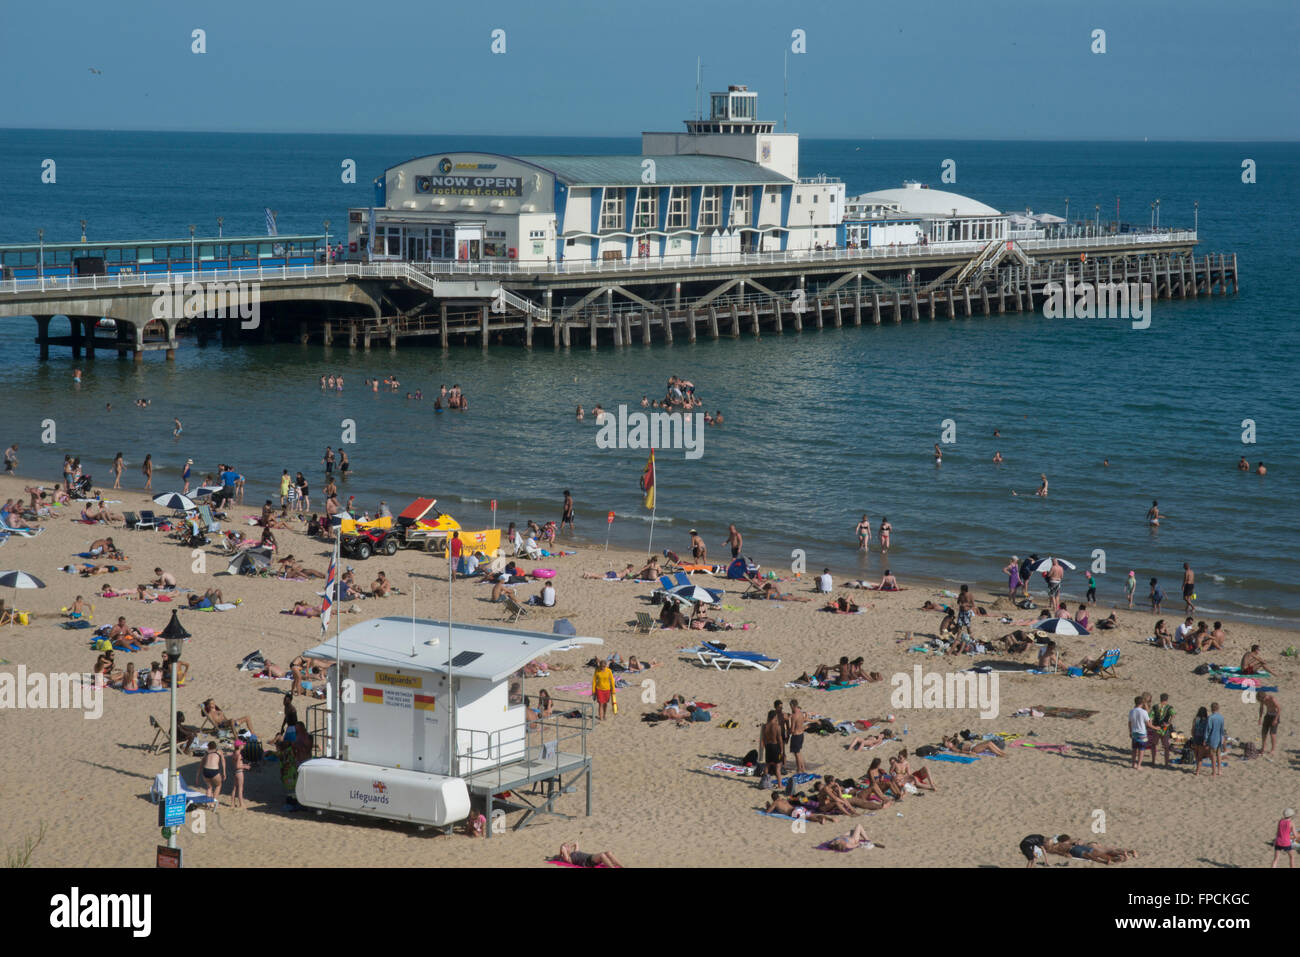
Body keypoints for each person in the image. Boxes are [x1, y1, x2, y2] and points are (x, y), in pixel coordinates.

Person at [1129, 695, 1157, 769]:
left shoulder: (1131, 711)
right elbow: (1148, 724)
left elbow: (1129, 723)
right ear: (1141, 703)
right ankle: (1139, 765)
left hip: (1134, 732)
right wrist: (1156, 728)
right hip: (1142, 733)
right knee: (1141, 750)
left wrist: (1130, 732)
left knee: (1134, 750)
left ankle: (1133, 764)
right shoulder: (1144, 712)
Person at [1148, 693, 1175, 767]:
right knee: (1166, 746)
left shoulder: (1155, 707)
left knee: (1154, 745)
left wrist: (1152, 726)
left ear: (1160, 698)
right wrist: (1169, 723)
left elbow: (1150, 717)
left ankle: (1153, 761)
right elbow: (1173, 715)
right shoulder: (1169, 707)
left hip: (1156, 728)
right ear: (1167, 699)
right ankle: (1166, 763)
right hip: (1165, 729)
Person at [556, 841, 623, 868]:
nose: (567, 846)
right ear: (564, 850)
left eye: (567, 845)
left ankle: (622, 866)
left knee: (609, 852)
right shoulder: (568, 858)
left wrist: (571, 846)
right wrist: (562, 849)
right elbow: (562, 850)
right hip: (587, 862)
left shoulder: (575, 852)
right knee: (602, 855)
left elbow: (576, 843)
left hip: (591, 857)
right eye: (566, 846)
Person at [760, 710, 784, 783]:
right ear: (774, 717)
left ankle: (764, 782)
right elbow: (780, 740)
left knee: (767, 765)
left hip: (768, 746)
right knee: (778, 767)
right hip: (775, 746)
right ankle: (780, 785)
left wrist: (763, 748)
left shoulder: (765, 726)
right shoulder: (777, 726)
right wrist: (782, 750)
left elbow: (763, 739)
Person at [1205, 702, 1226, 777]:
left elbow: (1208, 730)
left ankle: (1214, 772)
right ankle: (1219, 770)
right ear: (1218, 708)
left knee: (1213, 756)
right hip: (1219, 738)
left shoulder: (1210, 718)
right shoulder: (1221, 717)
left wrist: (1205, 739)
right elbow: (1222, 730)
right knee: (1219, 755)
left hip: (1212, 739)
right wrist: (1223, 738)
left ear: (1211, 709)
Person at [942, 734, 1006, 756]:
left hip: (974, 745)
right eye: (948, 744)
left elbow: (956, 737)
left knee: (989, 742)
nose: (949, 743)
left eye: (949, 742)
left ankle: (1002, 753)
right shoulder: (953, 748)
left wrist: (949, 738)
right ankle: (1001, 754)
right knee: (988, 744)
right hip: (973, 749)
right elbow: (960, 751)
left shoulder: (956, 744)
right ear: (947, 746)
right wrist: (969, 752)